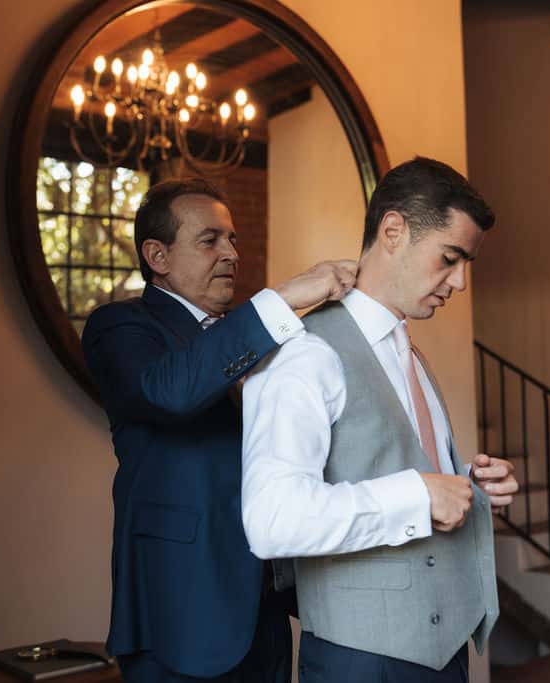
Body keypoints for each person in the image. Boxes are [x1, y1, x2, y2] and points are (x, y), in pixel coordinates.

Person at [241, 157, 520, 683]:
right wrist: (417, 495)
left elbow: (397, 469)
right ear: (393, 231)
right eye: (450, 258)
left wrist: (470, 485)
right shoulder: (306, 355)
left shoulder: (410, 354)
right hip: (362, 663)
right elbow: (273, 519)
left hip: (446, 652)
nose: (461, 282)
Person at [82, 177, 357, 683]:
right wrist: (283, 297)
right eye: (210, 240)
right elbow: (170, 392)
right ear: (157, 256)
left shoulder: (258, 336)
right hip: (181, 612)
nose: (231, 253)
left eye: (232, 239)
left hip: (269, 608)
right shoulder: (119, 327)